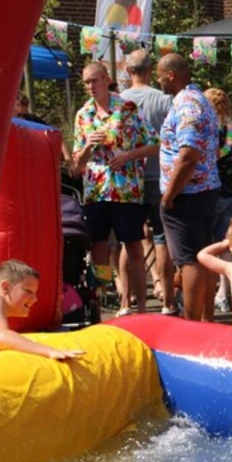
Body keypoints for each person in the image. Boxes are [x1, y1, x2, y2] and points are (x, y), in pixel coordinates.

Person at [73, 61, 155, 316]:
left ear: (106, 79)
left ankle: (141, 307)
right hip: (96, 190)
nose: (90, 86)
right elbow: (77, 164)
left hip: (126, 189)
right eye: (86, 82)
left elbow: (155, 143)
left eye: (94, 80)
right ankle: (98, 303)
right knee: (99, 248)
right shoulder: (83, 114)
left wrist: (128, 156)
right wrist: (88, 146)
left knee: (133, 246)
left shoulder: (128, 108)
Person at [156, 53, 221, 322]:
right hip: (204, 190)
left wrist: (169, 196)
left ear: (171, 75)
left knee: (190, 260)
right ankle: (207, 320)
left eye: (160, 75)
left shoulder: (187, 104)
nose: (158, 81)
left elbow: (188, 155)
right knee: (204, 257)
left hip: (187, 195)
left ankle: (193, 324)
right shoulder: (200, 99)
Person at [119, 49, 178, 316]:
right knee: (162, 237)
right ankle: (168, 301)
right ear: (150, 70)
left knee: (129, 239)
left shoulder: (120, 101)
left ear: (128, 71)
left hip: (128, 178)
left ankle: (126, 300)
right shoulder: (164, 100)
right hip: (160, 176)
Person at [0, 260, 85, 360]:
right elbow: (1, 336)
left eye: (35, 293)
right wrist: (50, 351)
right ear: (6, 287)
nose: (35, 299)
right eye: (28, 291)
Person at [204, 87, 232, 315]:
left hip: (213, 193)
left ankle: (210, 293)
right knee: (226, 244)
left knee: (208, 245)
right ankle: (224, 293)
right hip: (231, 191)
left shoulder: (211, 133)